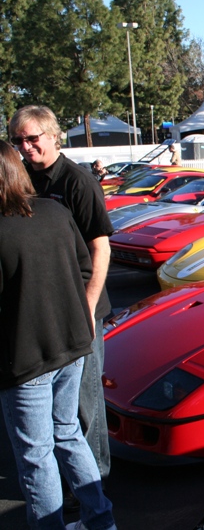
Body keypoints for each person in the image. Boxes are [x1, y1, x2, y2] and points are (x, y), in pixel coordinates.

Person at [0, 140, 116, 530]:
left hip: (26, 359)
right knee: (68, 433)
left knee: (36, 455)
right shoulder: (54, 211)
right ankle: (102, 521)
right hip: (71, 347)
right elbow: (84, 268)